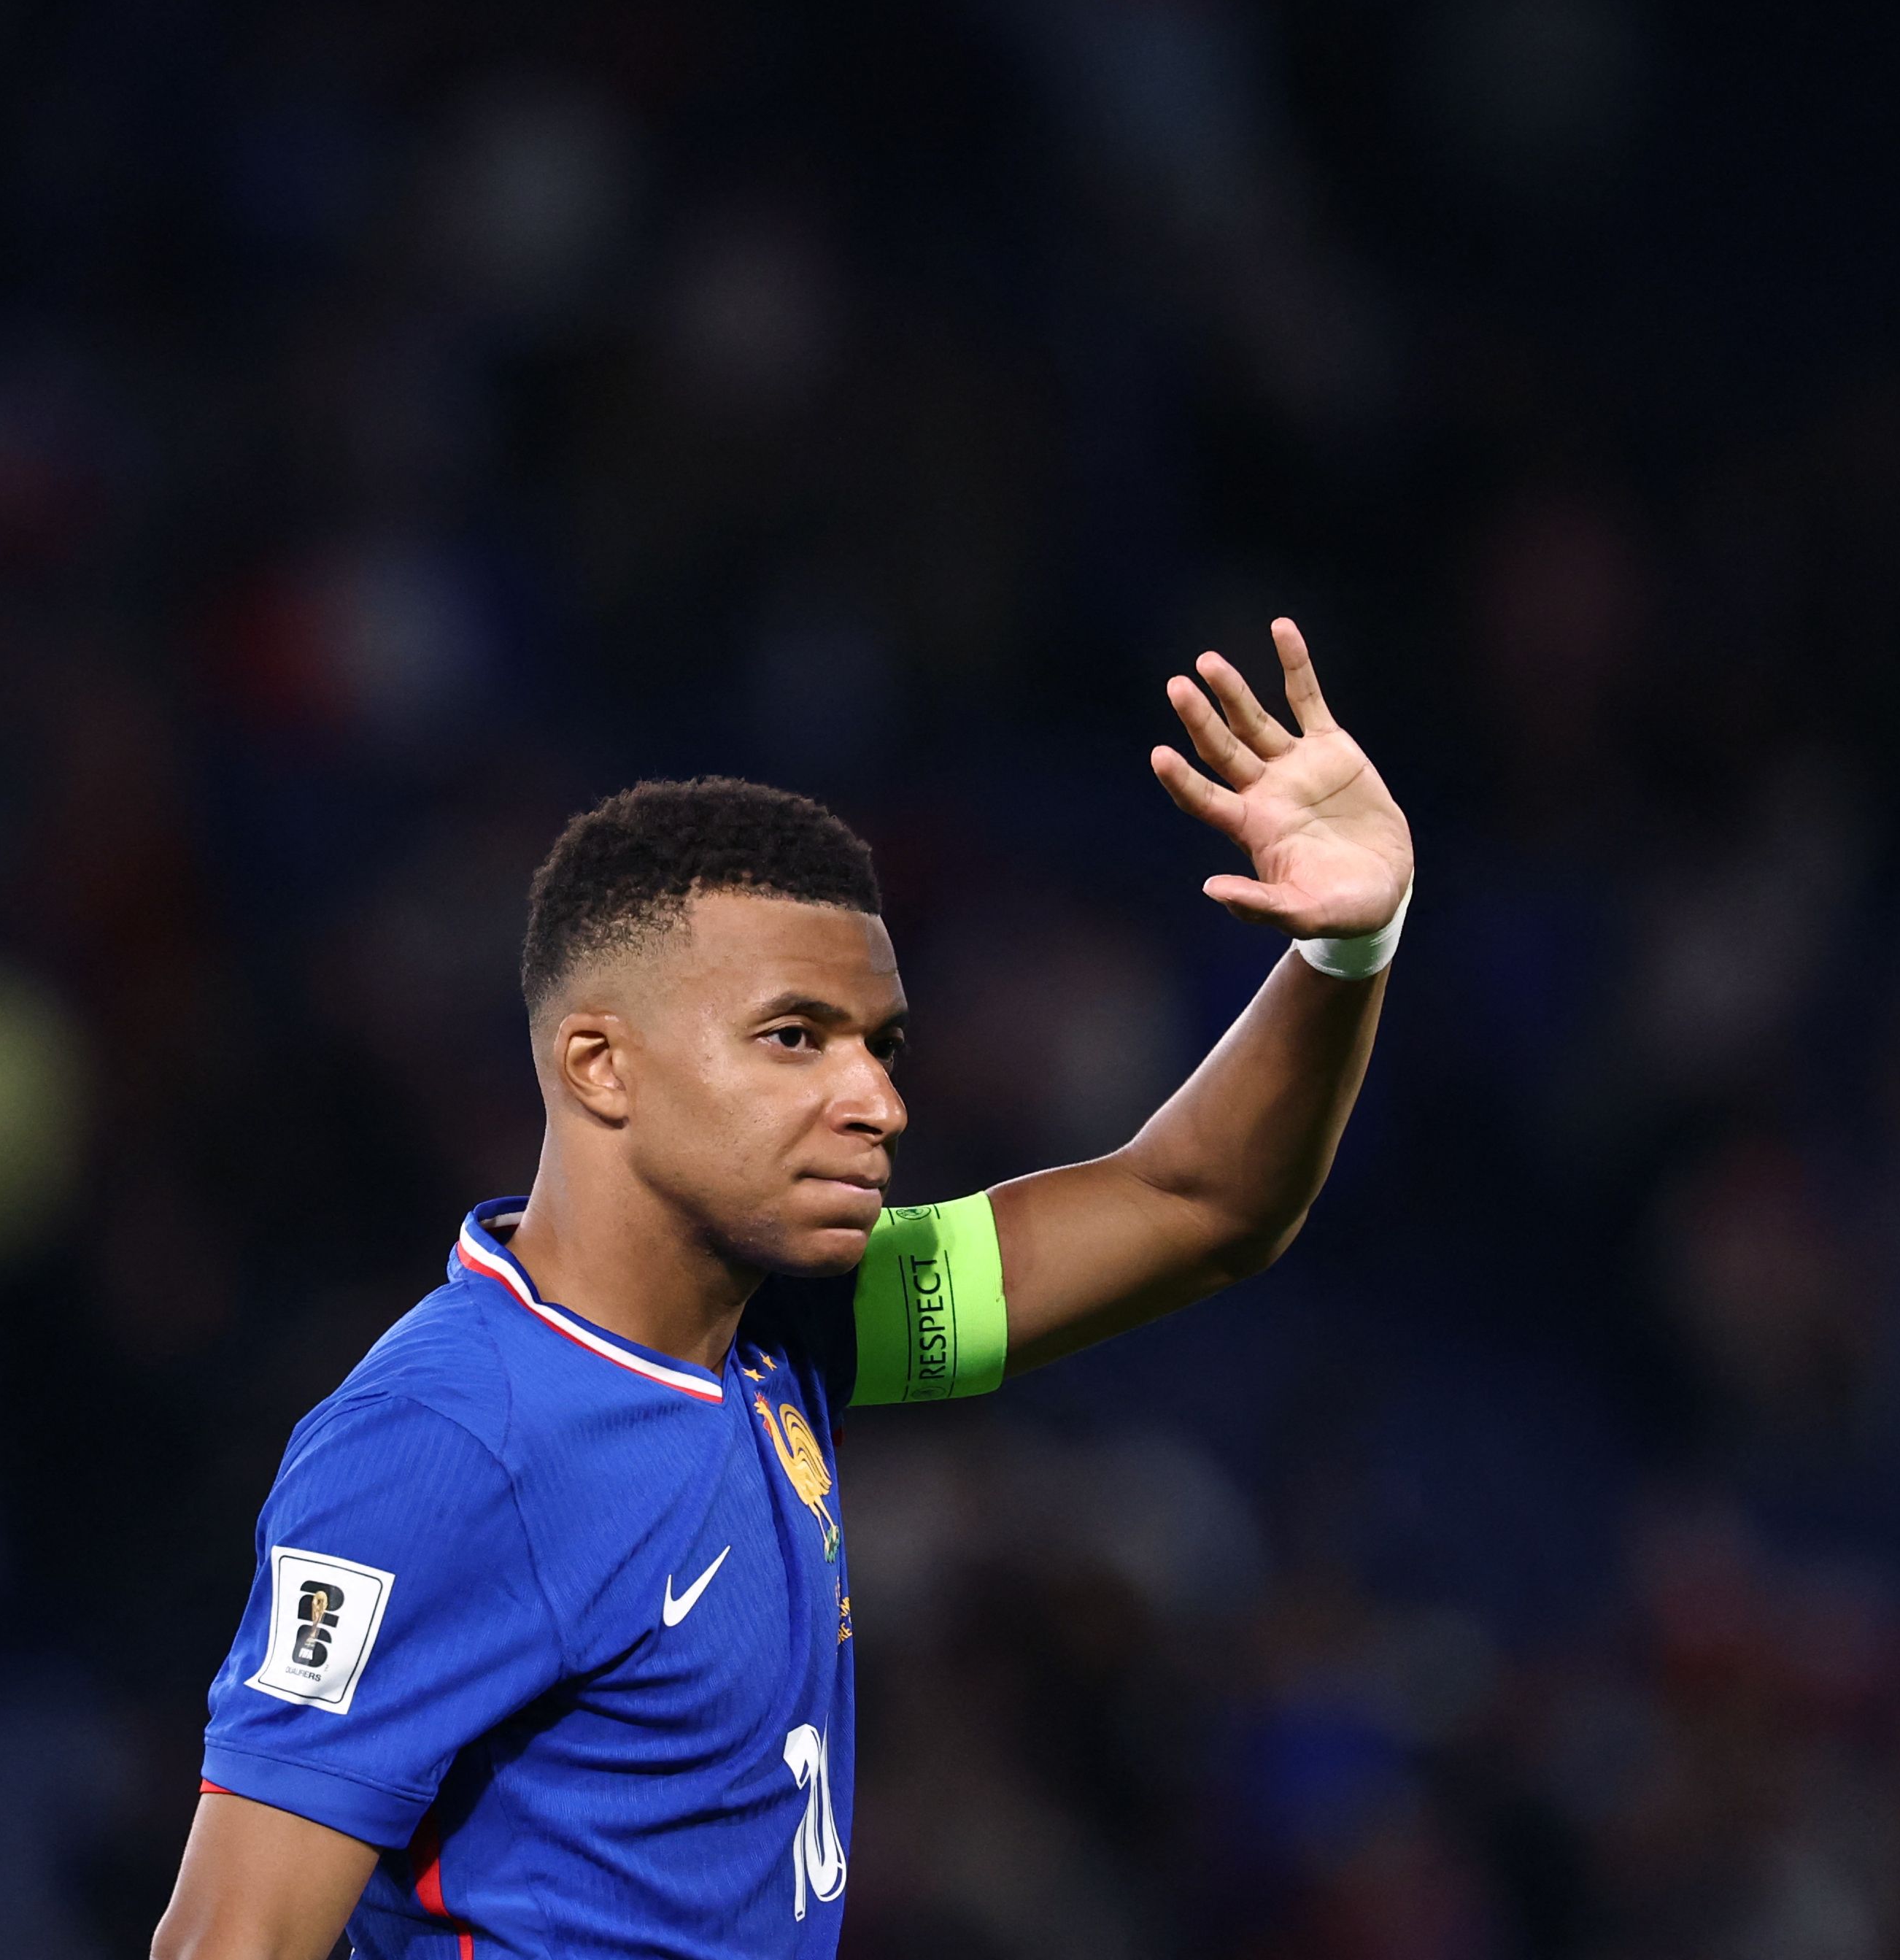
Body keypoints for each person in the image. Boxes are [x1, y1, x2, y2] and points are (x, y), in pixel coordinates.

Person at [152, 619, 1413, 1960]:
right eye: (794, 1038)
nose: (875, 1098)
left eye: (881, 1044)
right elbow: (228, 1942)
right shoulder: (452, 1440)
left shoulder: (792, 1325)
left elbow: (1195, 1205)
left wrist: (1348, 946)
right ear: (599, 1065)